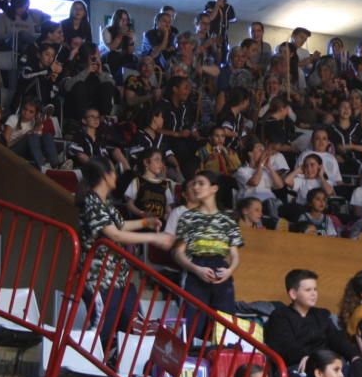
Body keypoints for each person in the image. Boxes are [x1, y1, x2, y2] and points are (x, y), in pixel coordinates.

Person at [75, 159, 173, 348]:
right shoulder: (91, 203)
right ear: (106, 176)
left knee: (129, 325)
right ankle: (89, 364)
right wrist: (153, 238)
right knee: (102, 328)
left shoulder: (105, 202)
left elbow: (120, 225)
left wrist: (146, 223)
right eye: (114, 173)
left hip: (117, 277)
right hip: (99, 279)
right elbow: (114, 233)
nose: (117, 177)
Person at [172, 171, 243, 331]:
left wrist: (229, 271)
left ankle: (220, 354)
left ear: (214, 188)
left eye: (201, 183)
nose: (196, 187)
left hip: (221, 269)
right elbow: (178, 253)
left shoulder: (228, 219)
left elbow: (234, 255)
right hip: (197, 266)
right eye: (194, 184)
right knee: (192, 323)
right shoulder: (187, 217)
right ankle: (190, 354)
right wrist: (196, 269)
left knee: (225, 323)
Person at [264, 269, 359, 370]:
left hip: (325, 364)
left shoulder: (321, 315)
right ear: (293, 294)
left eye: (315, 289)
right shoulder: (280, 316)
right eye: (308, 290)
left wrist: (354, 356)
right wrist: (309, 359)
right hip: (297, 365)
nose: (314, 294)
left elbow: (337, 339)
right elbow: (287, 347)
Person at [3, 98, 60, 169]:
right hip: (12, 151)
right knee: (31, 136)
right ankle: (42, 167)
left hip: (28, 152)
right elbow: (5, 145)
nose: (26, 113)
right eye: (25, 109)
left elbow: (38, 143)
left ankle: (56, 165)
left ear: (36, 114)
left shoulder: (34, 122)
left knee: (47, 135)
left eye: (31, 112)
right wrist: (25, 136)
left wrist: (38, 126)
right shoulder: (13, 118)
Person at [124, 148, 176, 222]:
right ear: (146, 162)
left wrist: (170, 217)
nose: (160, 163)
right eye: (157, 160)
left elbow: (167, 207)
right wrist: (142, 213)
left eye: (161, 160)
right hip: (141, 224)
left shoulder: (164, 184)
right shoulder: (138, 181)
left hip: (159, 225)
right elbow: (129, 204)